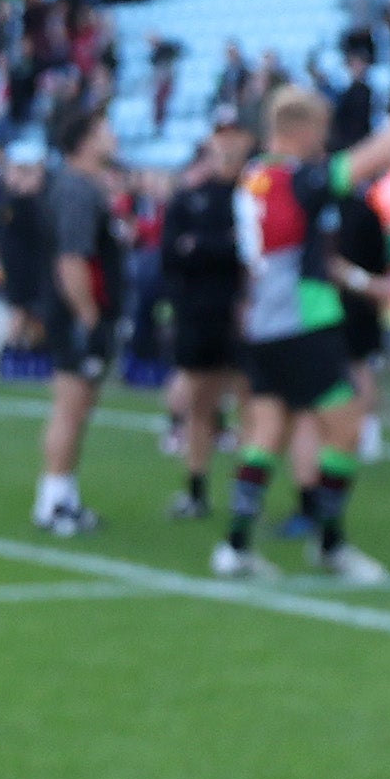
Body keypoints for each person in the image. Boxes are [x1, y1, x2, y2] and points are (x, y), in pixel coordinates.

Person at [211, 83, 390, 580]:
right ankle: (330, 543)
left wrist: (362, 283)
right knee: (346, 424)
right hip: (301, 319)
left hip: (264, 319)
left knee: (268, 430)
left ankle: (235, 545)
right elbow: (378, 155)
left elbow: (306, 254)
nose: (324, 140)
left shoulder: (255, 176)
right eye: (320, 128)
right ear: (302, 128)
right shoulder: (296, 178)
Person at [29, 101, 125, 537]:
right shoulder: (78, 189)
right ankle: (52, 500)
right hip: (77, 313)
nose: (113, 136)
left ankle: (64, 495)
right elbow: (72, 259)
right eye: (104, 129)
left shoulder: (81, 186)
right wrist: (88, 314)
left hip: (81, 310)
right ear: (86, 140)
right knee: (70, 405)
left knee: (78, 406)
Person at [153, 116, 249, 526]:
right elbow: (172, 254)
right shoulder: (190, 199)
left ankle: (247, 493)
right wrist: (217, 248)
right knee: (200, 401)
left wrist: (203, 248)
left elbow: (245, 251)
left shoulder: (250, 195)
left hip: (244, 313)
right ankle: (196, 488)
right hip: (199, 313)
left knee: (251, 403)